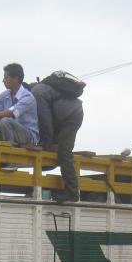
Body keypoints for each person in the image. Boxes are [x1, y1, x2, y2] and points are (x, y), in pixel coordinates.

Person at [31, 75, 85, 203]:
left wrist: (46, 143)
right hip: (64, 117)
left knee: (64, 153)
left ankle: (72, 193)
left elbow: (46, 121)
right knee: (52, 147)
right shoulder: (42, 89)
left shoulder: (37, 93)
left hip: (70, 117)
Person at [0, 63, 39, 147]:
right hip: (8, 133)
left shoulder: (28, 97)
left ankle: (8, 150)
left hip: (28, 136)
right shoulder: (4, 95)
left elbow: (11, 112)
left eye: (6, 77)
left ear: (15, 79)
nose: (3, 80)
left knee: (5, 121)